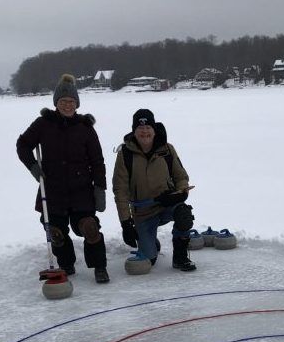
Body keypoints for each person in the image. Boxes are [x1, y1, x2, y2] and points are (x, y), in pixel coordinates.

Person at [16, 74, 110, 283]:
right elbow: (22, 145)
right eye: (63, 102)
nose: (67, 105)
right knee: (55, 231)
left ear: (76, 103)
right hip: (53, 190)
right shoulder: (43, 124)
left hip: (81, 191)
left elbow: (97, 161)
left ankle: (99, 266)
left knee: (90, 227)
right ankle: (66, 263)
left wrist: (99, 188)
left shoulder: (85, 127)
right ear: (56, 103)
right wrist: (33, 167)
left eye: (71, 102)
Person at [112, 108, 196, 272]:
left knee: (183, 214)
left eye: (148, 127)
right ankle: (150, 242)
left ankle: (180, 258)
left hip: (167, 205)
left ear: (154, 129)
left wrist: (177, 196)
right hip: (143, 212)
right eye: (140, 128)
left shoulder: (167, 149)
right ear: (134, 131)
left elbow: (181, 177)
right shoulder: (125, 155)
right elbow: (120, 190)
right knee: (150, 259)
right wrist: (126, 223)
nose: (144, 132)